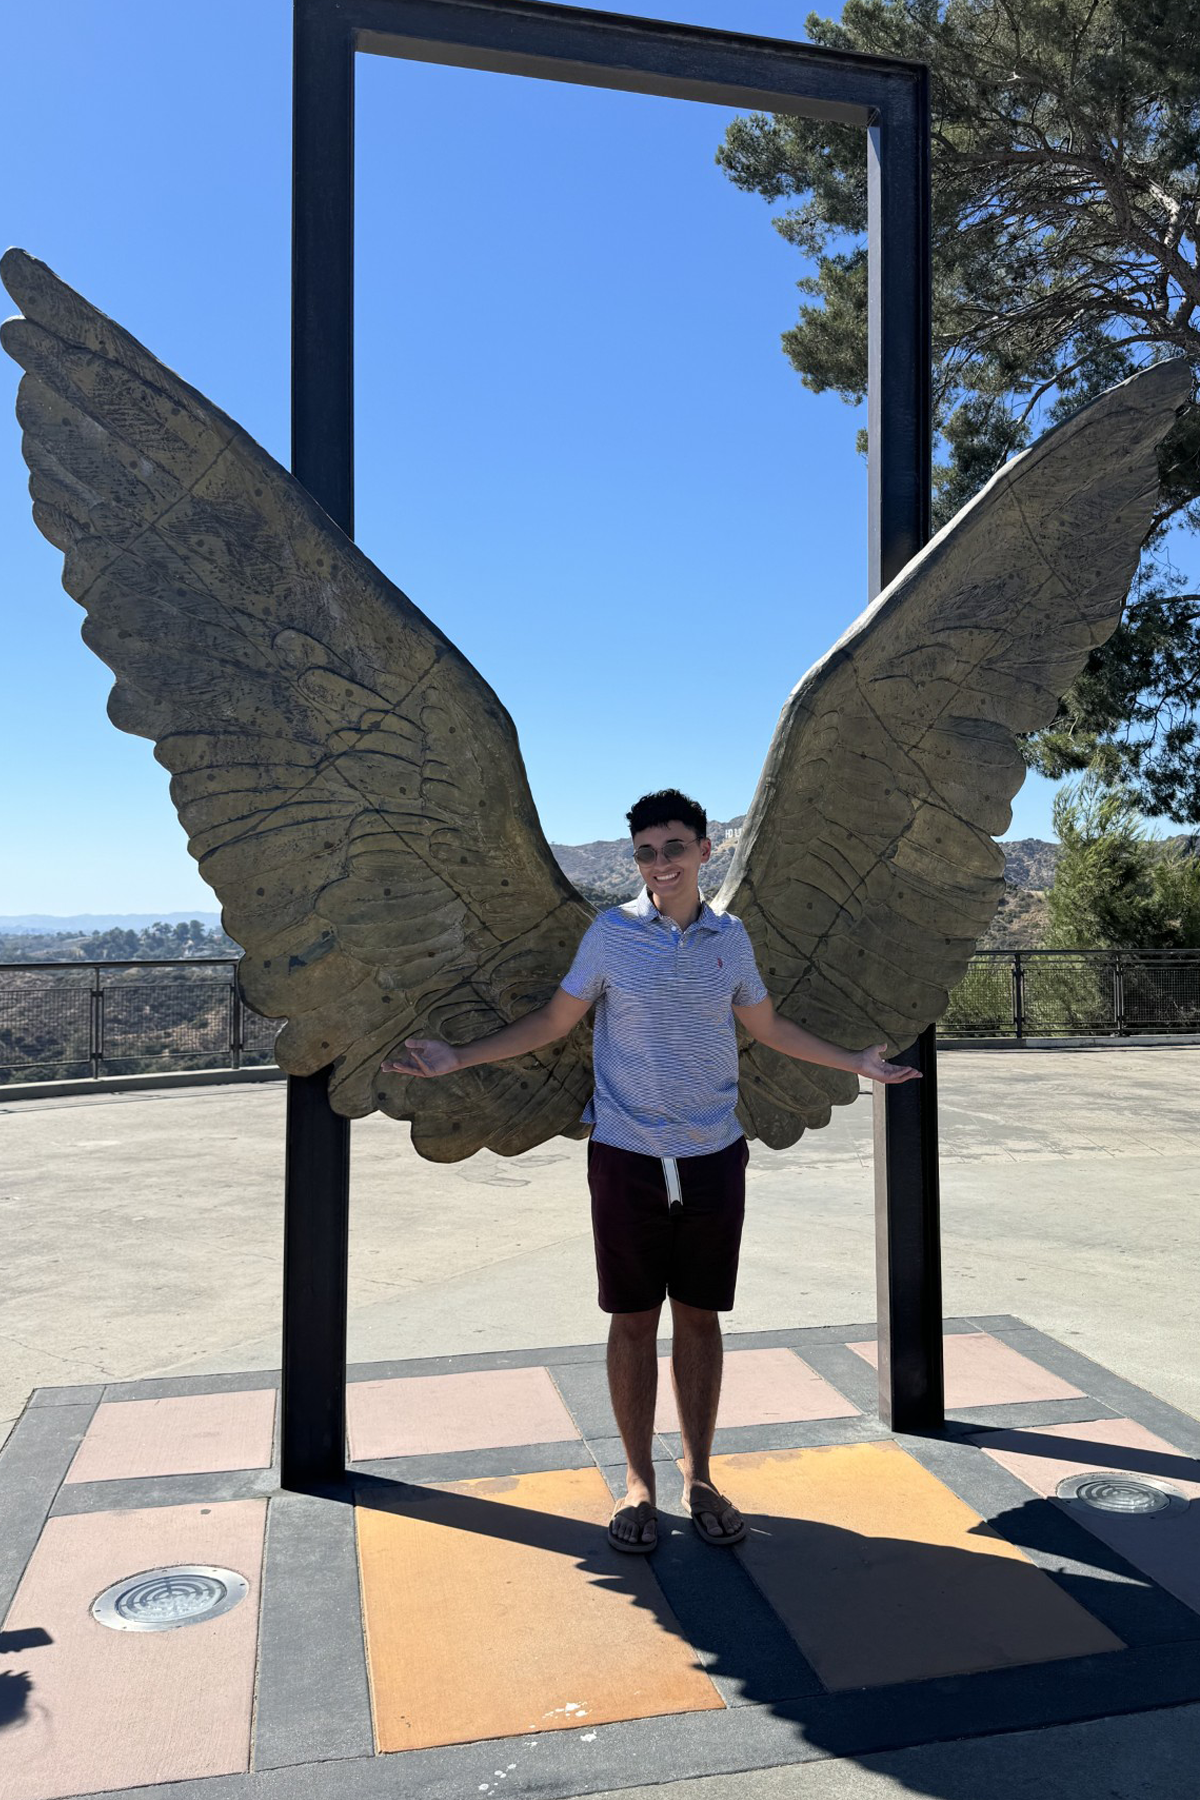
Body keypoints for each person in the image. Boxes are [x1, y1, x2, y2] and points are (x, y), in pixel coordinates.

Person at [381, 788, 920, 1555]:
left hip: (713, 1158)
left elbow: (768, 1027)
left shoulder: (732, 940)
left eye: (673, 848)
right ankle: (639, 1484)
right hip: (626, 1158)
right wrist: (458, 1057)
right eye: (646, 852)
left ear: (704, 850)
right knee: (632, 1321)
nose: (660, 863)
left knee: (699, 1317)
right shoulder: (610, 936)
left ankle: (701, 1478)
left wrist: (854, 1063)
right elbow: (555, 1021)